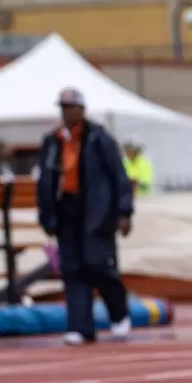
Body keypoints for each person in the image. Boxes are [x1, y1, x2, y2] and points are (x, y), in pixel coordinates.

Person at [36, 88, 133, 347]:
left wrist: (124, 211)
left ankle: (118, 312)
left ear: (82, 109)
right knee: (72, 269)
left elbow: (118, 175)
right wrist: (47, 215)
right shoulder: (53, 141)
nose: (67, 112)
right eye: (64, 108)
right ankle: (80, 327)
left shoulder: (99, 138)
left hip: (97, 212)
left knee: (99, 263)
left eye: (71, 107)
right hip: (66, 211)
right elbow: (45, 181)